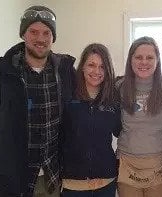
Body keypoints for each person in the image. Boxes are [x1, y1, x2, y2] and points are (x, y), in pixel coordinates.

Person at [0, 5, 76, 197]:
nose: (40, 39)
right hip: (10, 180)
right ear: (23, 35)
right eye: (33, 32)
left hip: (50, 179)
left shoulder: (65, 71)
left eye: (46, 33)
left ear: (53, 37)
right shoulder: (1, 73)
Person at [116, 36, 162, 197]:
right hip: (127, 165)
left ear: (157, 60)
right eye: (138, 57)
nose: (143, 62)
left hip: (160, 165)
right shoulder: (119, 87)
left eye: (150, 57)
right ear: (130, 60)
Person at [60, 43, 121, 197]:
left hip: (106, 181)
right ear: (82, 67)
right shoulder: (68, 95)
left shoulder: (113, 98)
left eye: (102, 67)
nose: (96, 71)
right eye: (91, 65)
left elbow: (120, 131)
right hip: (73, 183)